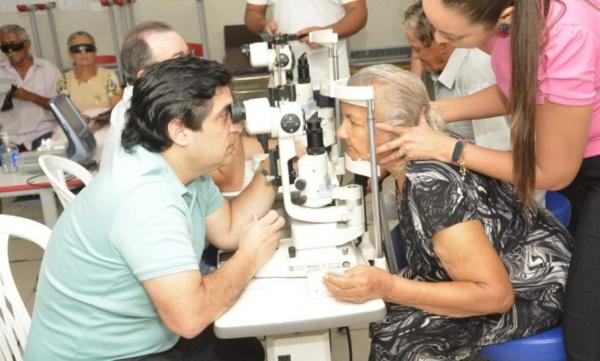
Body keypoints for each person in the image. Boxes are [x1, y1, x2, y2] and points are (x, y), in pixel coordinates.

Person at [373, 1, 600, 359]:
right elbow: (517, 90)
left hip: (579, 164)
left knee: (587, 333)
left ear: (505, 15)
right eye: (436, 30)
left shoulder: (567, 32)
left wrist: (450, 148)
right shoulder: (509, 26)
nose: (441, 41)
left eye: (453, 35)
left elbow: (553, 172)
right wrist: (434, 111)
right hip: (574, 158)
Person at [25, 56, 284, 361]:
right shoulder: (145, 197)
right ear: (180, 130)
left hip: (140, 337)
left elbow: (228, 231)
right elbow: (189, 316)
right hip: (95, 356)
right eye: (224, 116)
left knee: (244, 350)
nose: (236, 127)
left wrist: (276, 164)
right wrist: (249, 258)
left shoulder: (180, 167)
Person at [324, 64, 572, 361]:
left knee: (399, 336)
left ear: (395, 128)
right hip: (502, 269)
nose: (340, 132)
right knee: (391, 308)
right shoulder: (425, 148)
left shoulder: (430, 184)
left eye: (352, 121)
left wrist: (387, 286)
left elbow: (495, 295)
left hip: (535, 288)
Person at [100, 22, 245, 192]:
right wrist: (230, 119)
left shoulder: (152, 101)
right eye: (178, 60)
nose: (191, 65)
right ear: (146, 76)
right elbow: (229, 181)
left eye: (189, 55)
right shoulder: (151, 116)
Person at [403, 0, 510, 150]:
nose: (440, 40)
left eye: (418, 49)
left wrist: (447, 151)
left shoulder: (476, 71)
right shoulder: (443, 69)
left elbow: (499, 147)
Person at [244, 0, 367, 105]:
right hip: (283, 83)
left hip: (330, 82)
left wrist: (326, 33)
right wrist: (263, 25)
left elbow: (358, 12)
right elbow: (252, 12)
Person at [53, 30, 122, 160]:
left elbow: (117, 108)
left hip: (105, 125)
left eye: (88, 48)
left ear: (95, 51)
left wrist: (99, 122)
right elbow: (63, 112)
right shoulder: (63, 80)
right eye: (77, 49)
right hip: (75, 128)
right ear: (70, 54)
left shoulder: (108, 76)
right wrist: (80, 124)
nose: (83, 53)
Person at [0, 24, 60, 151]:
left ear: (27, 45)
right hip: (10, 136)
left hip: (44, 133)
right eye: (5, 47)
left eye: (14, 45)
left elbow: (60, 107)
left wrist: (31, 97)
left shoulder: (48, 69)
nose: (10, 51)